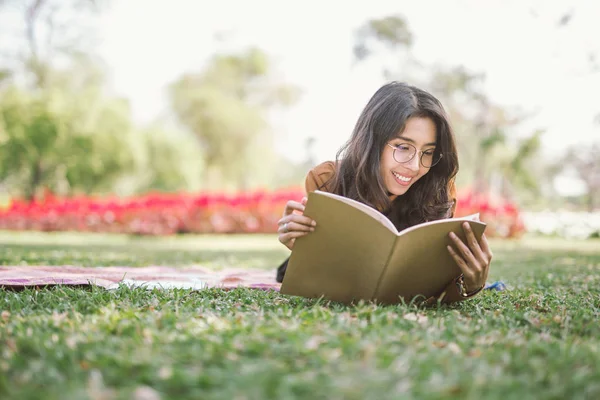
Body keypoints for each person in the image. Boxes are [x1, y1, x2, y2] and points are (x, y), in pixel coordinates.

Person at [275, 81, 493, 304]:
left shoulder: (438, 190)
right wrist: (304, 248)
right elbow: (328, 278)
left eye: (428, 152)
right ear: (373, 141)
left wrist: (470, 284)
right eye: (403, 147)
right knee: (285, 270)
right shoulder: (327, 179)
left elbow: (433, 288)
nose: (415, 166)